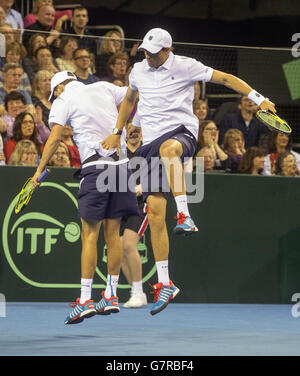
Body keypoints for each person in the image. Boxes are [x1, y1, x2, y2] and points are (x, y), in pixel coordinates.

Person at [101, 27, 276, 316]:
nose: (149, 56)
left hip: (181, 133)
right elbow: (130, 100)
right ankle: (165, 282)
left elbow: (226, 78)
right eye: (145, 51)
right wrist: (119, 130)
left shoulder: (186, 66)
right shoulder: (138, 70)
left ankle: (184, 213)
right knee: (155, 213)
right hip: (149, 145)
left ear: (168, 51)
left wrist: (259, 98)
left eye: (154, 52)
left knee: (170, 151)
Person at [30, 71, 140, 325]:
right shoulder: (104, 86)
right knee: (113, 235)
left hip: (95, 168)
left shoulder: (62, 99)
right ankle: (111, 295)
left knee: (90, 235)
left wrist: (38, 171)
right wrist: (124, 127)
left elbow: (55, 137)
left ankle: (85, 300)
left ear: (58, 88)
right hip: (122, 168)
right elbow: (134, 95)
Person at [120, 121, 147, 308]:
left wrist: (141, 188)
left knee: (128, 244)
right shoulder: (119, 153)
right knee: (118, 249)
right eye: (130, 129)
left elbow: (159, 176)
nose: (133, 132)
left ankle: (138, 292)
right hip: (119, 205)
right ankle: (136, 292)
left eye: (137, 130)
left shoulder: (148, 152)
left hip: (141, 205)